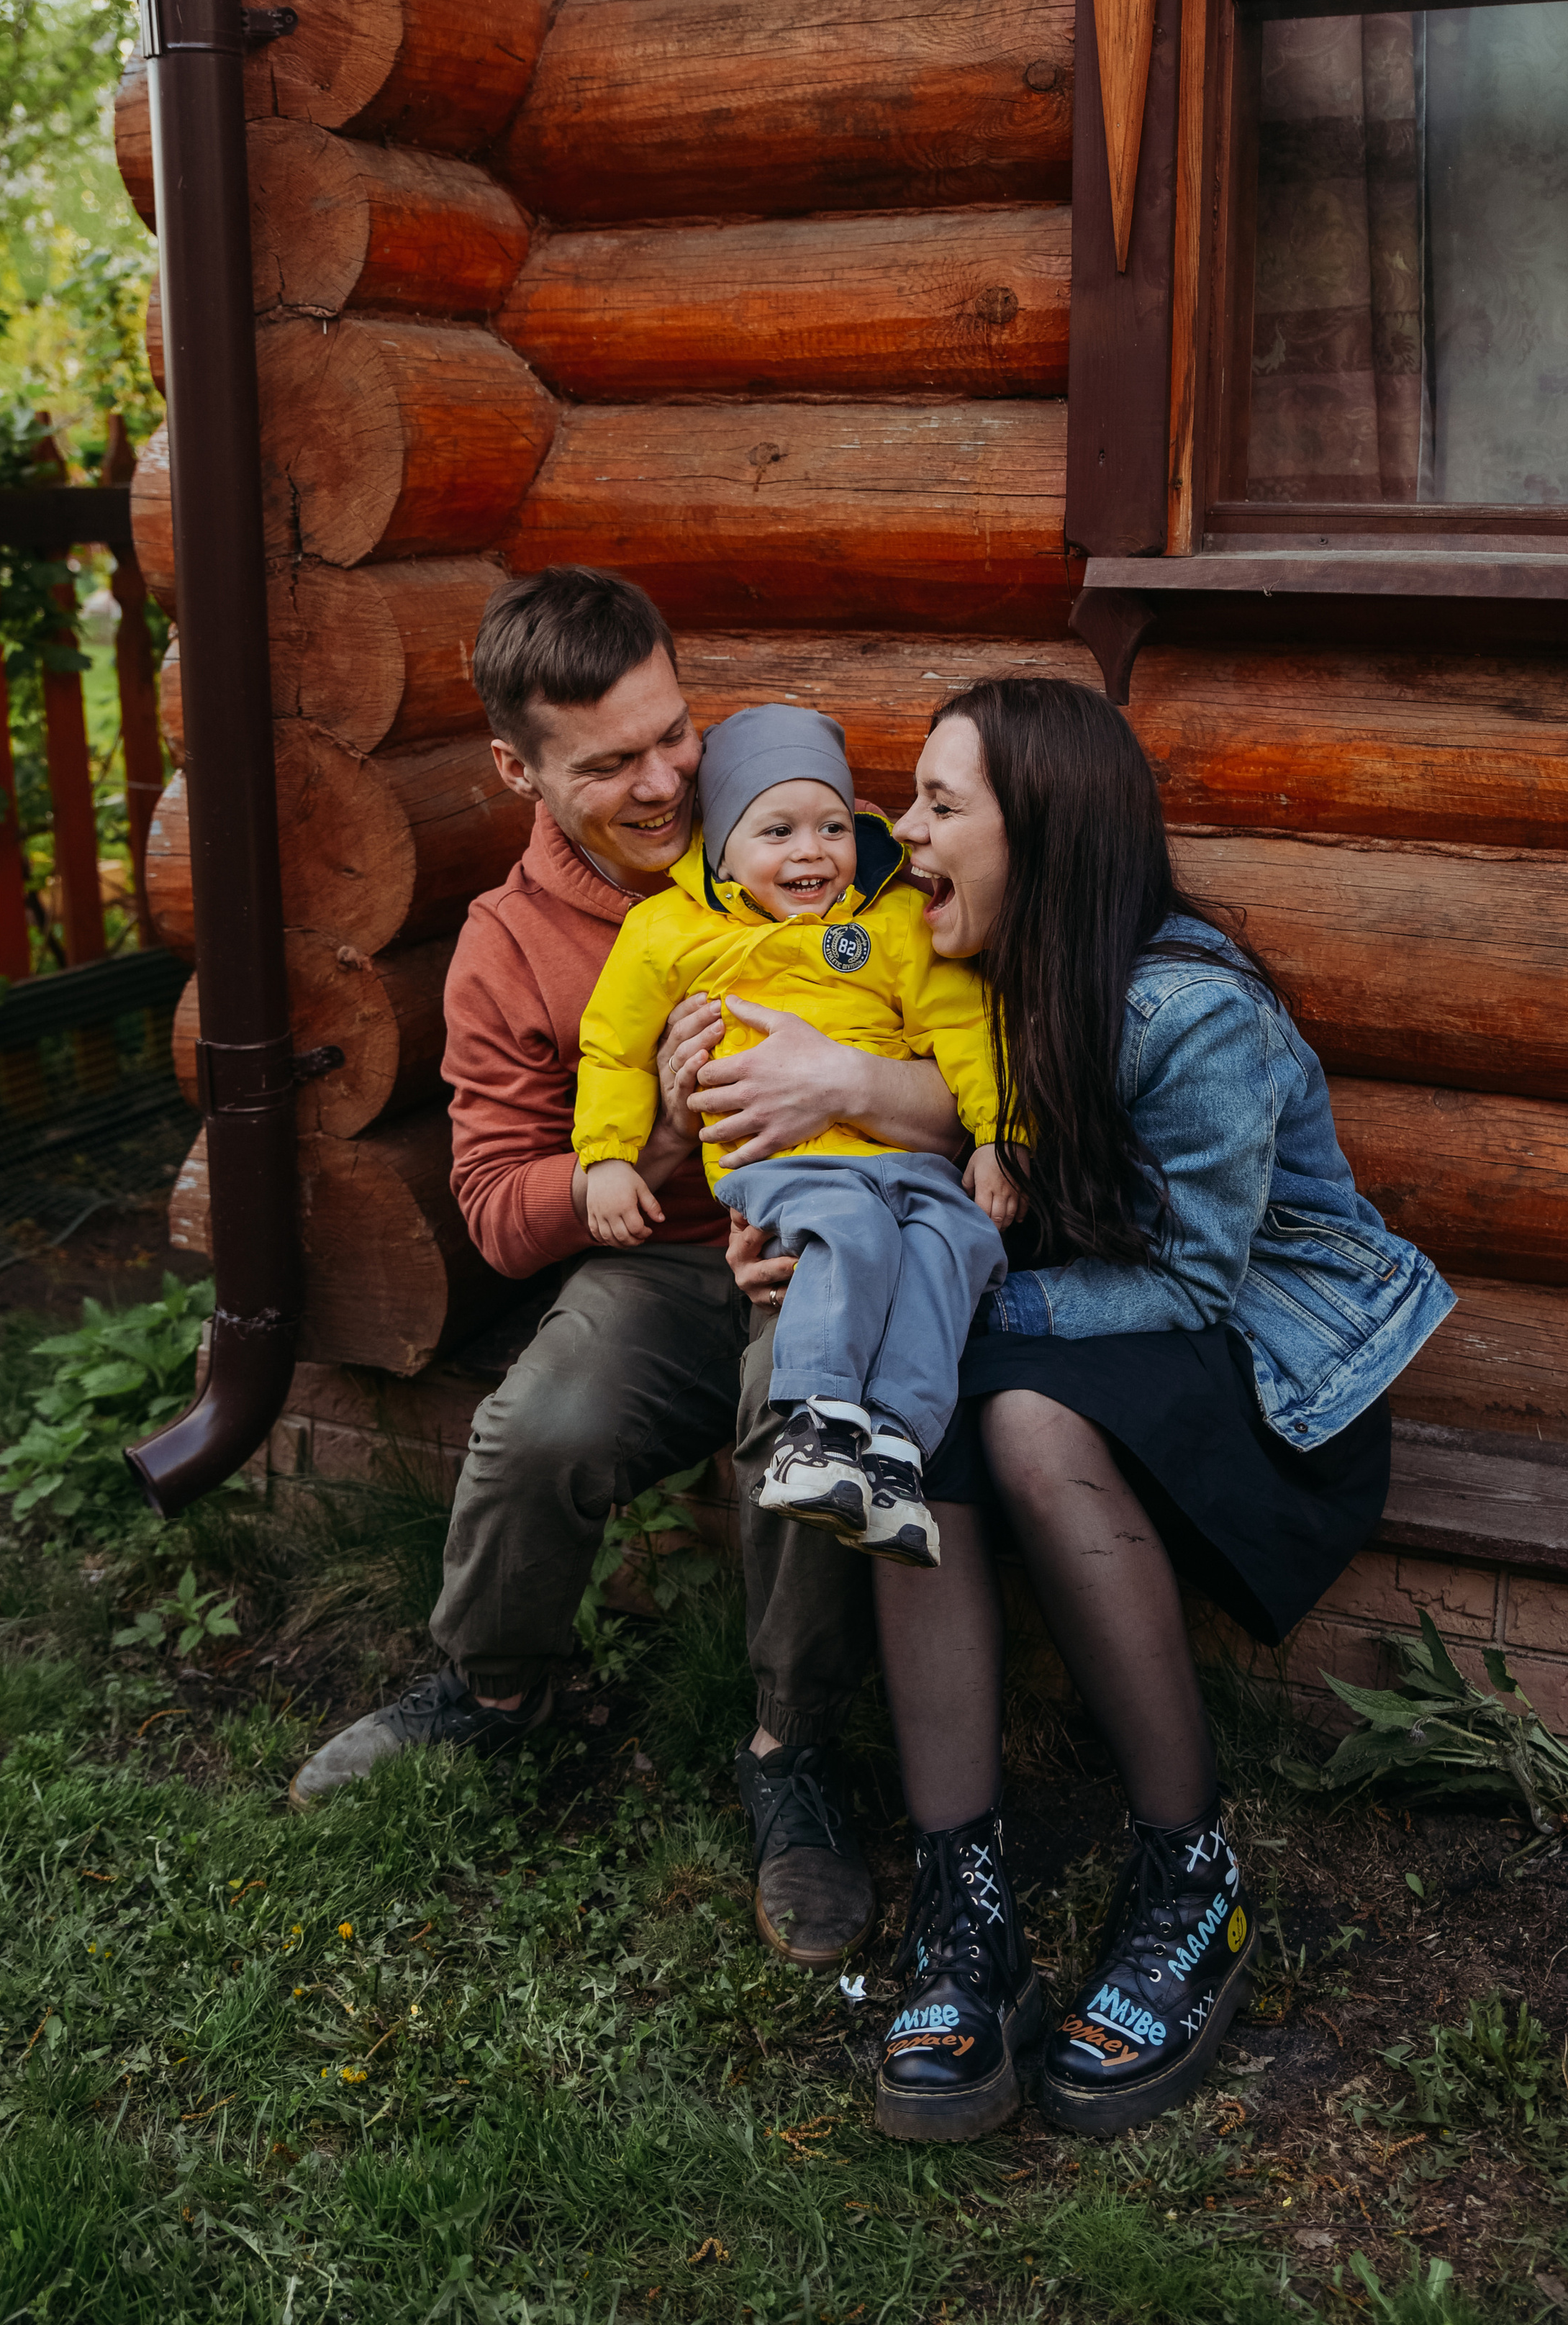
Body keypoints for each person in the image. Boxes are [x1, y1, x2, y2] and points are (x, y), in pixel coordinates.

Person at [289, 568, 963, 1974]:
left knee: (802, 1406)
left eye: (674, 735)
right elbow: (495, 1213)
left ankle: (789, 1750)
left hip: (826, 1239)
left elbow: (957, 1041)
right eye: (609, 763)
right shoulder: (508, 948)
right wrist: (654, 1145)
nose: (665, 783)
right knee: (542, 1422)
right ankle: (498, 1687)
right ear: (514, 770)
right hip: (651, 1271)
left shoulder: (820, 850)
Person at [861, 676, 1456, 2144]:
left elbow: (1188, 1285)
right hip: (1085, 1325)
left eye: (942, 804)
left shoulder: (1184, 1012)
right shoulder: (964, 976)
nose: (902, 827)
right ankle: (964, 1908)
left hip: (1262, 1370)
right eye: (910, 796)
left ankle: (1191, 1881)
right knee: (911, 1412)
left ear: (1044, 834)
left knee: (1012, 1417)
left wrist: (971, 1311)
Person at [573, 703, 1012, 1572]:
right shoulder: (670, 932)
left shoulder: (891, 924)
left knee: (956, 1248)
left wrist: (1000, 1135)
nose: (811, 852)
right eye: (776, 830)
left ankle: (891, 1449)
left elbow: (965, 1029)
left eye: (832, 828)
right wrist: (608, 1157)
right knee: (851, 1234)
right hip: (786, 1164)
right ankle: (816, 1428)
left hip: (906, 1166)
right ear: (720, 847)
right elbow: (612, 1049)